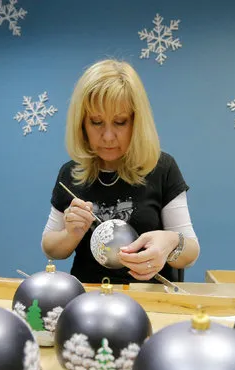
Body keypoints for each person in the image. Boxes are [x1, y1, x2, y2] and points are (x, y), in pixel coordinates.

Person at [41, 59, 200, 284]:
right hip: (89, 297)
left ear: (137, 122)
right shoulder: (71, 173)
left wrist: (171, 242)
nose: (107, 136)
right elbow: (50, 249)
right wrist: (71, 235)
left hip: (150, 299)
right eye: (96, 122)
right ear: (82, 124)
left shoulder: (163, 167)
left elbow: (191, 252)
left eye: (120, 122)